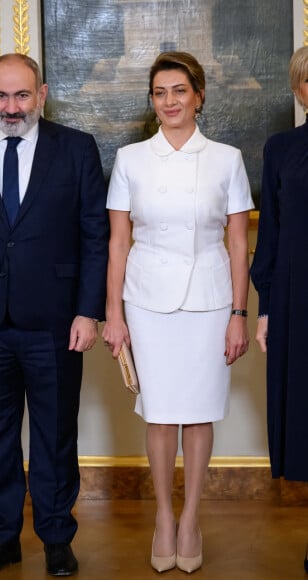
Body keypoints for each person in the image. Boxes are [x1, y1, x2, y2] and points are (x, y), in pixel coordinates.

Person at [0, 53, 109, 577]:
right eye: (1, 96)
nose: (11, 107)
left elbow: (95, 238)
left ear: (41, 95)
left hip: (56, 321)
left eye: (21, 96)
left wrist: (88, 312)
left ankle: (57, 538)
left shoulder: (77, 149)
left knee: (55, 435)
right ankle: (1, 540)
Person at [102, 51, 253, 574]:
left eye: (180, 91)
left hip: (211, 300)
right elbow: (118, 244)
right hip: (146, 301)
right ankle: (164, 517)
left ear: (199, 95)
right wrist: (113, 314)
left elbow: (238, 242)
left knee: (200, 409)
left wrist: (239, 311)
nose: (170, 101)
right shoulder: (130, 159)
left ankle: (192, 517)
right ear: (152, 100)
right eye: (160, 92)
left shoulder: (227, 158)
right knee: (161, 412)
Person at [251, 45, 308, 575]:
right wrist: (265, 307)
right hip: (297, 303)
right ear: (298, 87)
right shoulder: (281, 150)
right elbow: (267, 236)